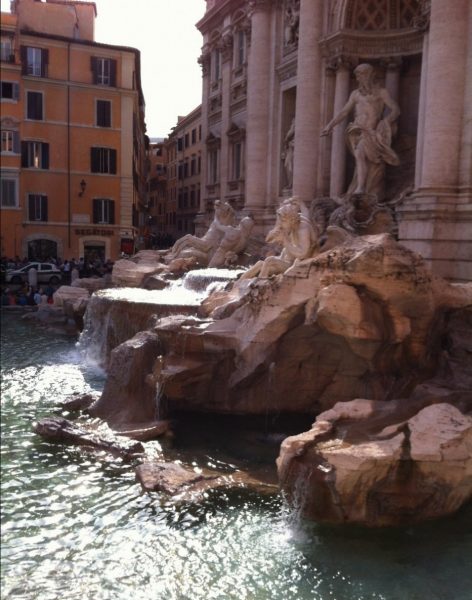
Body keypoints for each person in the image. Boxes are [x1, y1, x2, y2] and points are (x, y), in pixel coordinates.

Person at [321, 63, 400, 198]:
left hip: (372, 131)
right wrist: (330, 125)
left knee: (370, 161)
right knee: (360, 154)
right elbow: (344, 112)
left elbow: (396, 110)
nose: (358, 79)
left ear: (369, 75)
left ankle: (363, 187)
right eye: (356, 75)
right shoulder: (355, 94)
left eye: (360, 75)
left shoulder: (381, 92)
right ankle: (360, 187)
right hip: (357, 130)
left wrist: (386, 121)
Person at [241, 197, 318, 279]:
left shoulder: (303, 229)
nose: (280, 223)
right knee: (260, 264)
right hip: (286, 259)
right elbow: (269, 239)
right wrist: (273, 234)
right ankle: (238, 284)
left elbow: (302, 254)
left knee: (269, 261)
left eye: (283, 221)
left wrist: (285, 240)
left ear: (290, 219)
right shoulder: (290, 223)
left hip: (296, 263)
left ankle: (261, 281)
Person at [282, 117, 295, 189]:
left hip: (292, 153)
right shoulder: (291, 132)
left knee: (291, 167)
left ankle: (291, 184)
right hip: (289, 152)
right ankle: (290, 183)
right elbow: (287, 138)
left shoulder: (294, 136)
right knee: (287, 166)